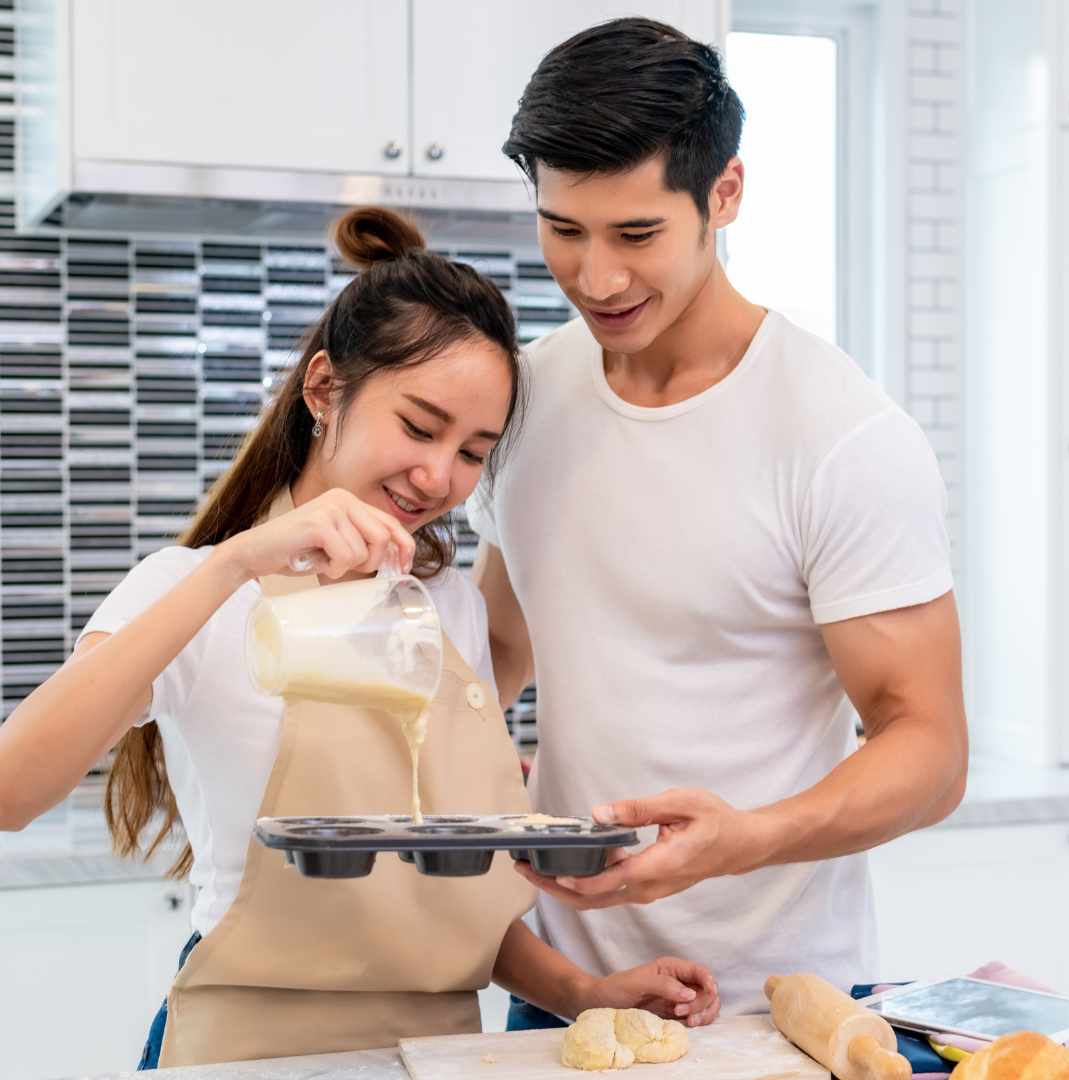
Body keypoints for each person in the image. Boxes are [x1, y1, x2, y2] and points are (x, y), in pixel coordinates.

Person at [0, 206, 718, 1069]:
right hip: (245, 1054)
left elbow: (443, 910)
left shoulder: (444, 611)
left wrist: (582, 993)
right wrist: (231, 567)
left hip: (436, 1055)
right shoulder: (189, 589)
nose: (438, 476)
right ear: (322, 391)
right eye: (419, 427)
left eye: (471, 451)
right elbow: (11, 794)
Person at [469, 18, 969, 1026]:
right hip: (570, 991)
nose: (597, 278)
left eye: (637, 234)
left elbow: (930, 750)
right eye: (564, 230)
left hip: (774, 1002)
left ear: (724, 196)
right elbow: (500, 648)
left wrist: (748, 835)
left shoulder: (839, 435)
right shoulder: (527, 396)